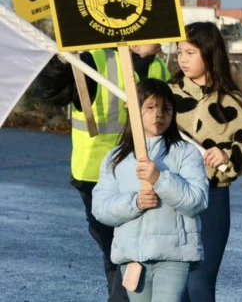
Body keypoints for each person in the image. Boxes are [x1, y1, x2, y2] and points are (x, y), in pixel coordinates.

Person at [29, 43, 169, 302]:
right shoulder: (94, 61)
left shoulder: (159, 66)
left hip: (146, 174)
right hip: (98, 176)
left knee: (131, 254)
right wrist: (61, 62)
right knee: (118, 253)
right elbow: (50, 91)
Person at [169, 22, 242, 302]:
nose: (183, 59)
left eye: (190, 52)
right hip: (171, 199)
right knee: (173, 288)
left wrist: (230, 156)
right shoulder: (167, 95)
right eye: (180, 52)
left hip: (213, 201)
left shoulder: (233, 101)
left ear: (210, 54)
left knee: (199, 286)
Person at [93, 79, 209, 302]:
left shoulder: (186, 153)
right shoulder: (116, 158)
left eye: (166, 108)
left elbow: (197, 201)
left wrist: (159, 179)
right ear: (134, 110)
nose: (159, 115)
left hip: (174, 255)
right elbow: (100, 208)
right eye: (150, 107)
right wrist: (134, 203)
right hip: (133, 258)